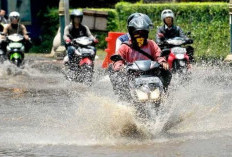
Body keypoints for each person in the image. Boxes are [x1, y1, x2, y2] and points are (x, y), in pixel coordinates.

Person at [109, 15, 172, 94]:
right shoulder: (124, 46)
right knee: (118, 77)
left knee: (167, 71)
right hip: (131, 77)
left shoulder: (151, 44)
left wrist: (162, 61)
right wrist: (120, 66)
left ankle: (164, 93)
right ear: (131, 33)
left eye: (143, 33)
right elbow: (118, 60)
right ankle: (123, 97)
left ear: (146, 33)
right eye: (137, 33)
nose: (140, 35)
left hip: (151, 76)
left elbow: (158, 55)